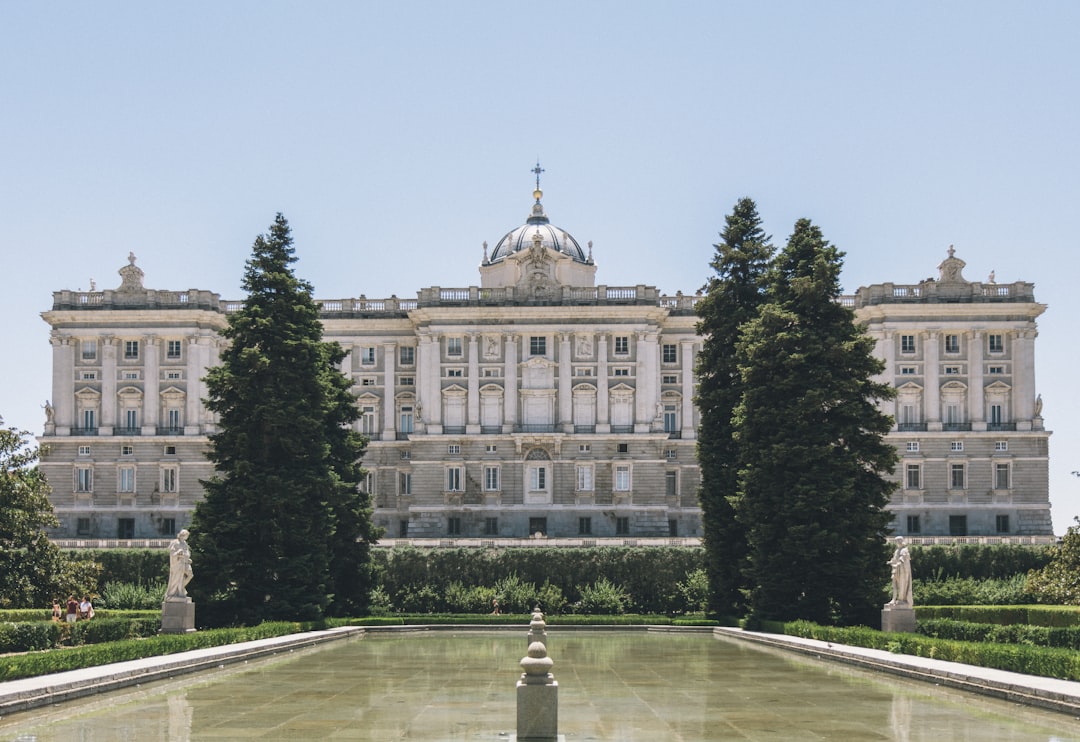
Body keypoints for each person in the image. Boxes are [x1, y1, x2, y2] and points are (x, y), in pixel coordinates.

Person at [166, 529, 194, 600]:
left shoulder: (185, 543)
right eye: (186, 535)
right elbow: (172, 554)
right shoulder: (175, 542)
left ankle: (181, 588)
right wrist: (178, 552)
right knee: (177, 578)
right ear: (182, 535)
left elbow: (187, 553)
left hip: (185, 562)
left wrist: (188, 559)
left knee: (190, 575)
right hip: (178, 563)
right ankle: (176, 591)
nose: (187, 537)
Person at [888, 536, 913, 606]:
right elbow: (894, 559)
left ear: (900, 541)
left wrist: (897, 564)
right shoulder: (897, 551)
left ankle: (901, 599)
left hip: (903, 572)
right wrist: (891, 562)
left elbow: (902, 559)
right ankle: (893, 599)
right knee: (894, 585)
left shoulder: (905, 550)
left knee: (902, 585)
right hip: (895, 571)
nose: (896, 543)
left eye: (897, 541)